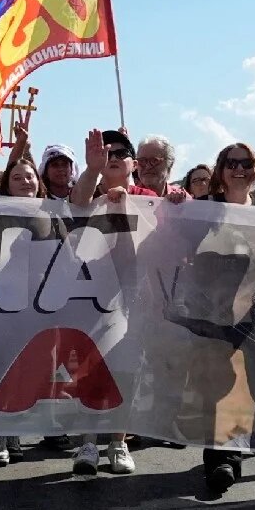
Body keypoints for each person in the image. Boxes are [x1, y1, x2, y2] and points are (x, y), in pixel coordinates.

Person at [63, 127, 154, 476]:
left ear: (134, 163)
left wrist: (176, 200)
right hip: (90, 294)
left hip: (135, 297)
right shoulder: (88, 192)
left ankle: (118, 441)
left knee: (127, 370)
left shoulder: (148, 197)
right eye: (107, 154)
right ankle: (87, 442)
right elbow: (77, 203)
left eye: (120, 154)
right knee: (88, 366)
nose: (112, 158)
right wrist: (91, 169)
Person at [192, 141, 255, 497]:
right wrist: (175, 205)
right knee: (223, 384)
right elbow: (174, 240)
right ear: (221, 170)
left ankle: (235, 445)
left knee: (252, 384)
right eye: (231, 163)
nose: (239, 169)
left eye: (246, 163)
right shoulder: (204, 208)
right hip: (214, 310)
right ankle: (222, 459)